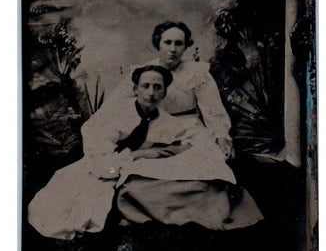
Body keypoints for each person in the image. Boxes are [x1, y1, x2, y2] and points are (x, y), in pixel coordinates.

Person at [28, 65, 261, 240]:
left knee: (178, 180)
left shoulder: (167, 120)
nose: (150, 92)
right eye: (145, 86)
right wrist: (117, 163)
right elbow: (96, 142)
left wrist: (151, 154)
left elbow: (192, 138)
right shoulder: (118, 112)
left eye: (157, 87)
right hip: (105, 163)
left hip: (132, 164)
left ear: (164, 93)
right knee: (72, 200)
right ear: (136, 88)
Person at [87, 21, 234, 159]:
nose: (173, 49)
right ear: (158, 44)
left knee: (210, 157)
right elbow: (114, 104)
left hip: (189, 129)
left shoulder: (197, 73)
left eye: (178, 44)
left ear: (185, 46)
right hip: (154, 129)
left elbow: (213, 111)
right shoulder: (145, 72)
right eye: (167, 43)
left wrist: (221, 137)